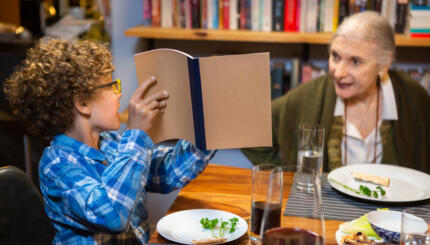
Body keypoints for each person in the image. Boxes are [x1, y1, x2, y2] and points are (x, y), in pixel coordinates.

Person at [3, 38, 216, 244]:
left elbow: (167, 173)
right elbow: (112, 215)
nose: (119, 94)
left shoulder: (112, 143)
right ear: (83, 103)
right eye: (112, 85)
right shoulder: (57, 166)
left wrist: (208, 132)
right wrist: (137, 134)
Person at [242, 11, 430, 174]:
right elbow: (250, 128)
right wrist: (284, 176)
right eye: (335, 56)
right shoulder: (309, 95)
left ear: (384, 64)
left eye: (355, 61)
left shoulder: (413, 98)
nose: (338, 73)